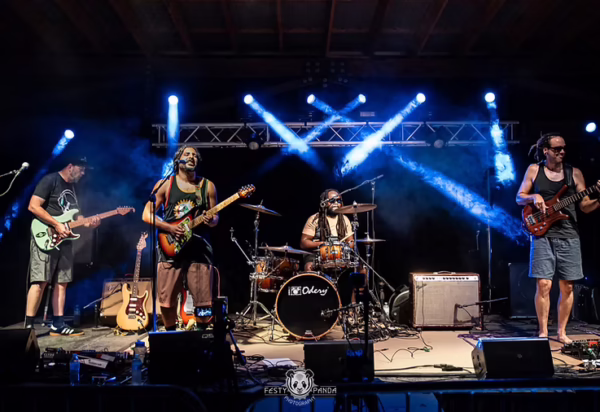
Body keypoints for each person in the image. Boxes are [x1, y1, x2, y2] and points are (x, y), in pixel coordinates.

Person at [516, 133, 600, 344]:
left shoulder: (574, 173)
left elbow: (585, 206)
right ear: (545, 150)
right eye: (557, 149)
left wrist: (599, 199)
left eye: (563, 148)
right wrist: (534, 196)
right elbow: (519, 197)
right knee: (544, 284)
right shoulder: (534, 170)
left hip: (569, 235)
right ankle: (543, 332)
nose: (562, 151)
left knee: (568, 286)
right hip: (542, 234)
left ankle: (561, 332)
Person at [142, 146, 218, 330]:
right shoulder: (166, 184)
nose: (191, 157)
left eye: (195, 155)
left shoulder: (207, 186)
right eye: (187, 154)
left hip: (199, 249)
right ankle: (170, 335)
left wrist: (211, 220)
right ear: (178, 160)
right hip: (170, 247)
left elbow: (216, 218)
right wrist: (170, 228)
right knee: (166, 300)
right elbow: (146, 214)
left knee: (203, 301)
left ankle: (201, 334)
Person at [25, 157, 100, 336]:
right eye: (81, 169)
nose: (83, 174)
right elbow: (33, 206)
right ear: (70, 166)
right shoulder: (50, 180)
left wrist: (89, 223)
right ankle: (28, 327)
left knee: (62, 282)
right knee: (40, 281)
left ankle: (58, 324)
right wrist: (56, 224)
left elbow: (76, 217)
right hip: (45, 236)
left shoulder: (72, 188)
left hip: (64, 241)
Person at [300, 189, 354, 271]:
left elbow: (351, 241)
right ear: (324, 202)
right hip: (316, 253)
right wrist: (323, 244)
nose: (336, 203)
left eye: (338, 201)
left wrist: (342, 248)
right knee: (309, 267)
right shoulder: (315, 218)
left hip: (340, 254)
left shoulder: (344, 219)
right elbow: (304, 243)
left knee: (362, 268)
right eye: (332, 200)